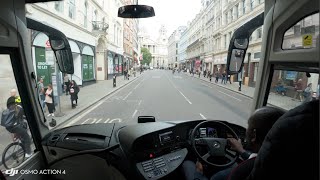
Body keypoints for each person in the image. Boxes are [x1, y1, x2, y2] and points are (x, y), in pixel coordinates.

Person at [182, 106, 285, 180]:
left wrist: (199, 172)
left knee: (188, 164)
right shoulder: (277, 159)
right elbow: (256, 158)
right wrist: (242, 151)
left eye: (248, 126)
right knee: (233, 163)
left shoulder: (240, 172)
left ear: (254, 135)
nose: (246, 130)